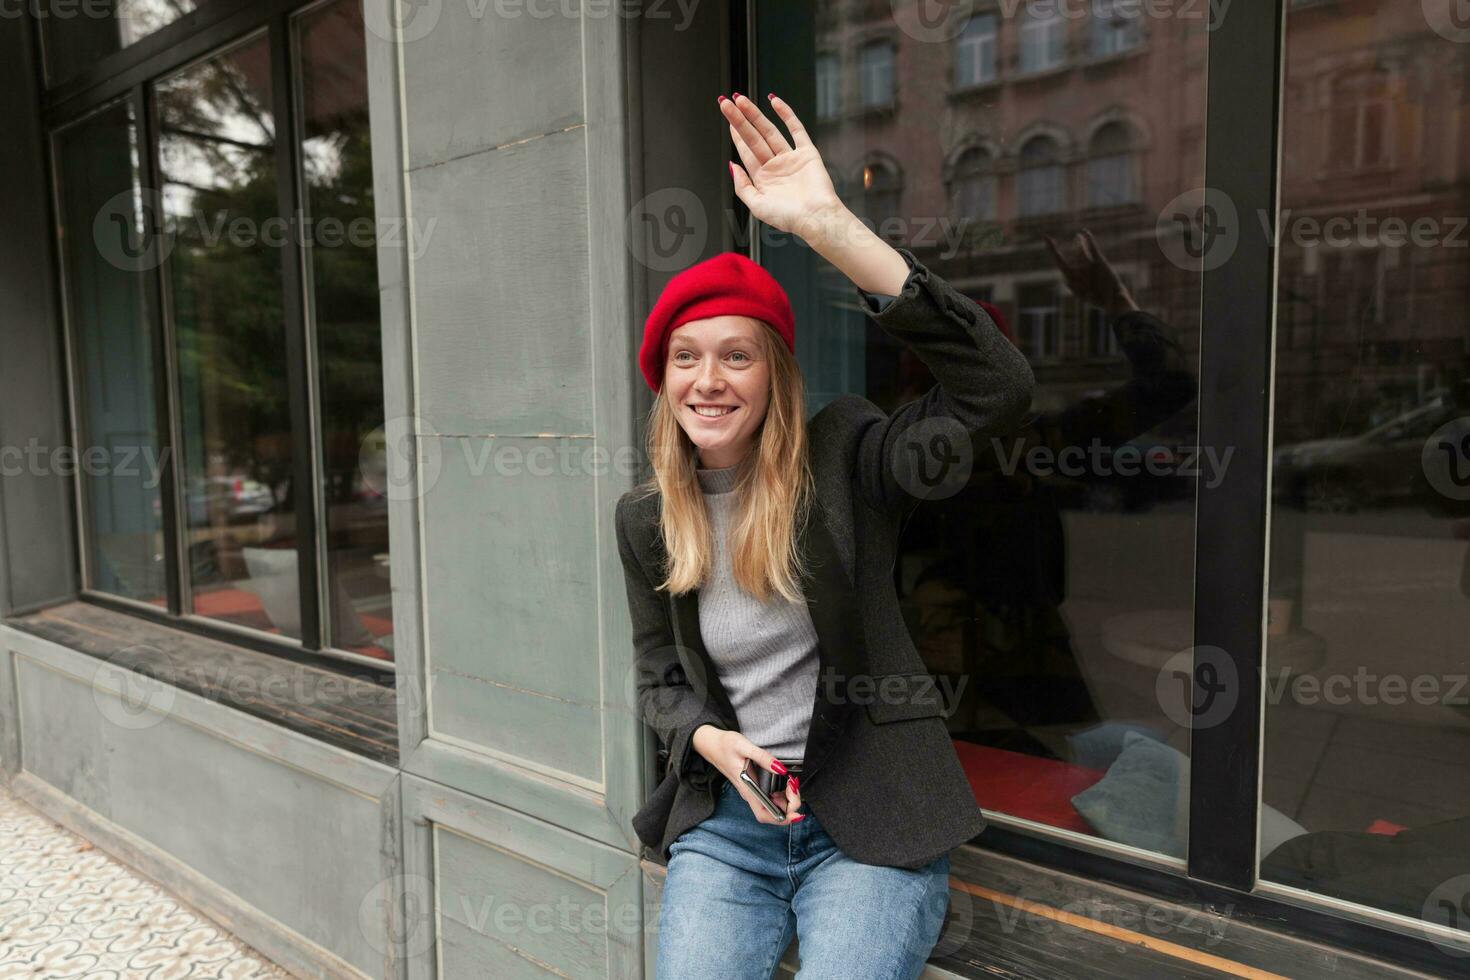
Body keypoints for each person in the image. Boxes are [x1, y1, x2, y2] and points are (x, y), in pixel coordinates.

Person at [613, 92, 1036, 979]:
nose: (709, 379)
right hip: (732, 827)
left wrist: (829, 226)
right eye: (687, 357)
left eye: (739, 354)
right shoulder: (649, 519)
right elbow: (657, 673)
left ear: (775, 375)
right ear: (665, 381)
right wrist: (706, 740)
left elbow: (994, 389)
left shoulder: (846, 454)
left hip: (870, 824)